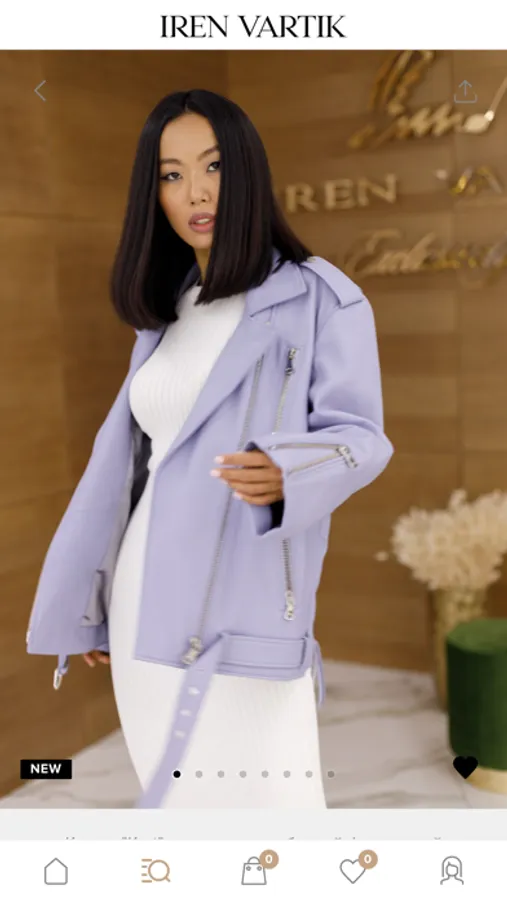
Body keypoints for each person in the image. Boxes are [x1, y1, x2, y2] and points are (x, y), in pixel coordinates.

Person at [26, 89, 394, 808]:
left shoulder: (321, 298)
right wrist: (92, 595)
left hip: (242, 609)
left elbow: (361, 437)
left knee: (274, 820)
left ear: (247, 170)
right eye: (170, 174)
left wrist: (289, 470)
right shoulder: (167, 313)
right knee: (178, 816)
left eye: (213, 166)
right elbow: (128, 471)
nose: (194, 192)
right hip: (142, 599)